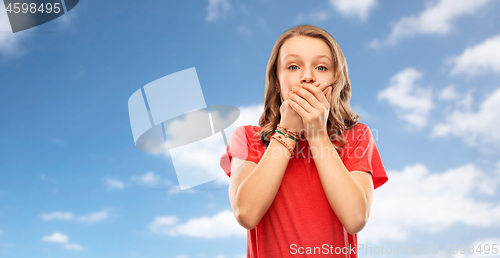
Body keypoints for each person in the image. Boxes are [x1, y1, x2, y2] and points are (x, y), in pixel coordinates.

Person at [219, 24, 388, 258]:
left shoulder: (357, 136)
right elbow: (246, 214)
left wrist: (317, 134)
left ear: (335, 81)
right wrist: (287, 131)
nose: (307, 76)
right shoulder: (248, 138)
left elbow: (356, 219)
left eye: (321, 67)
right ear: (277, 83)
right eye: (293, 66)